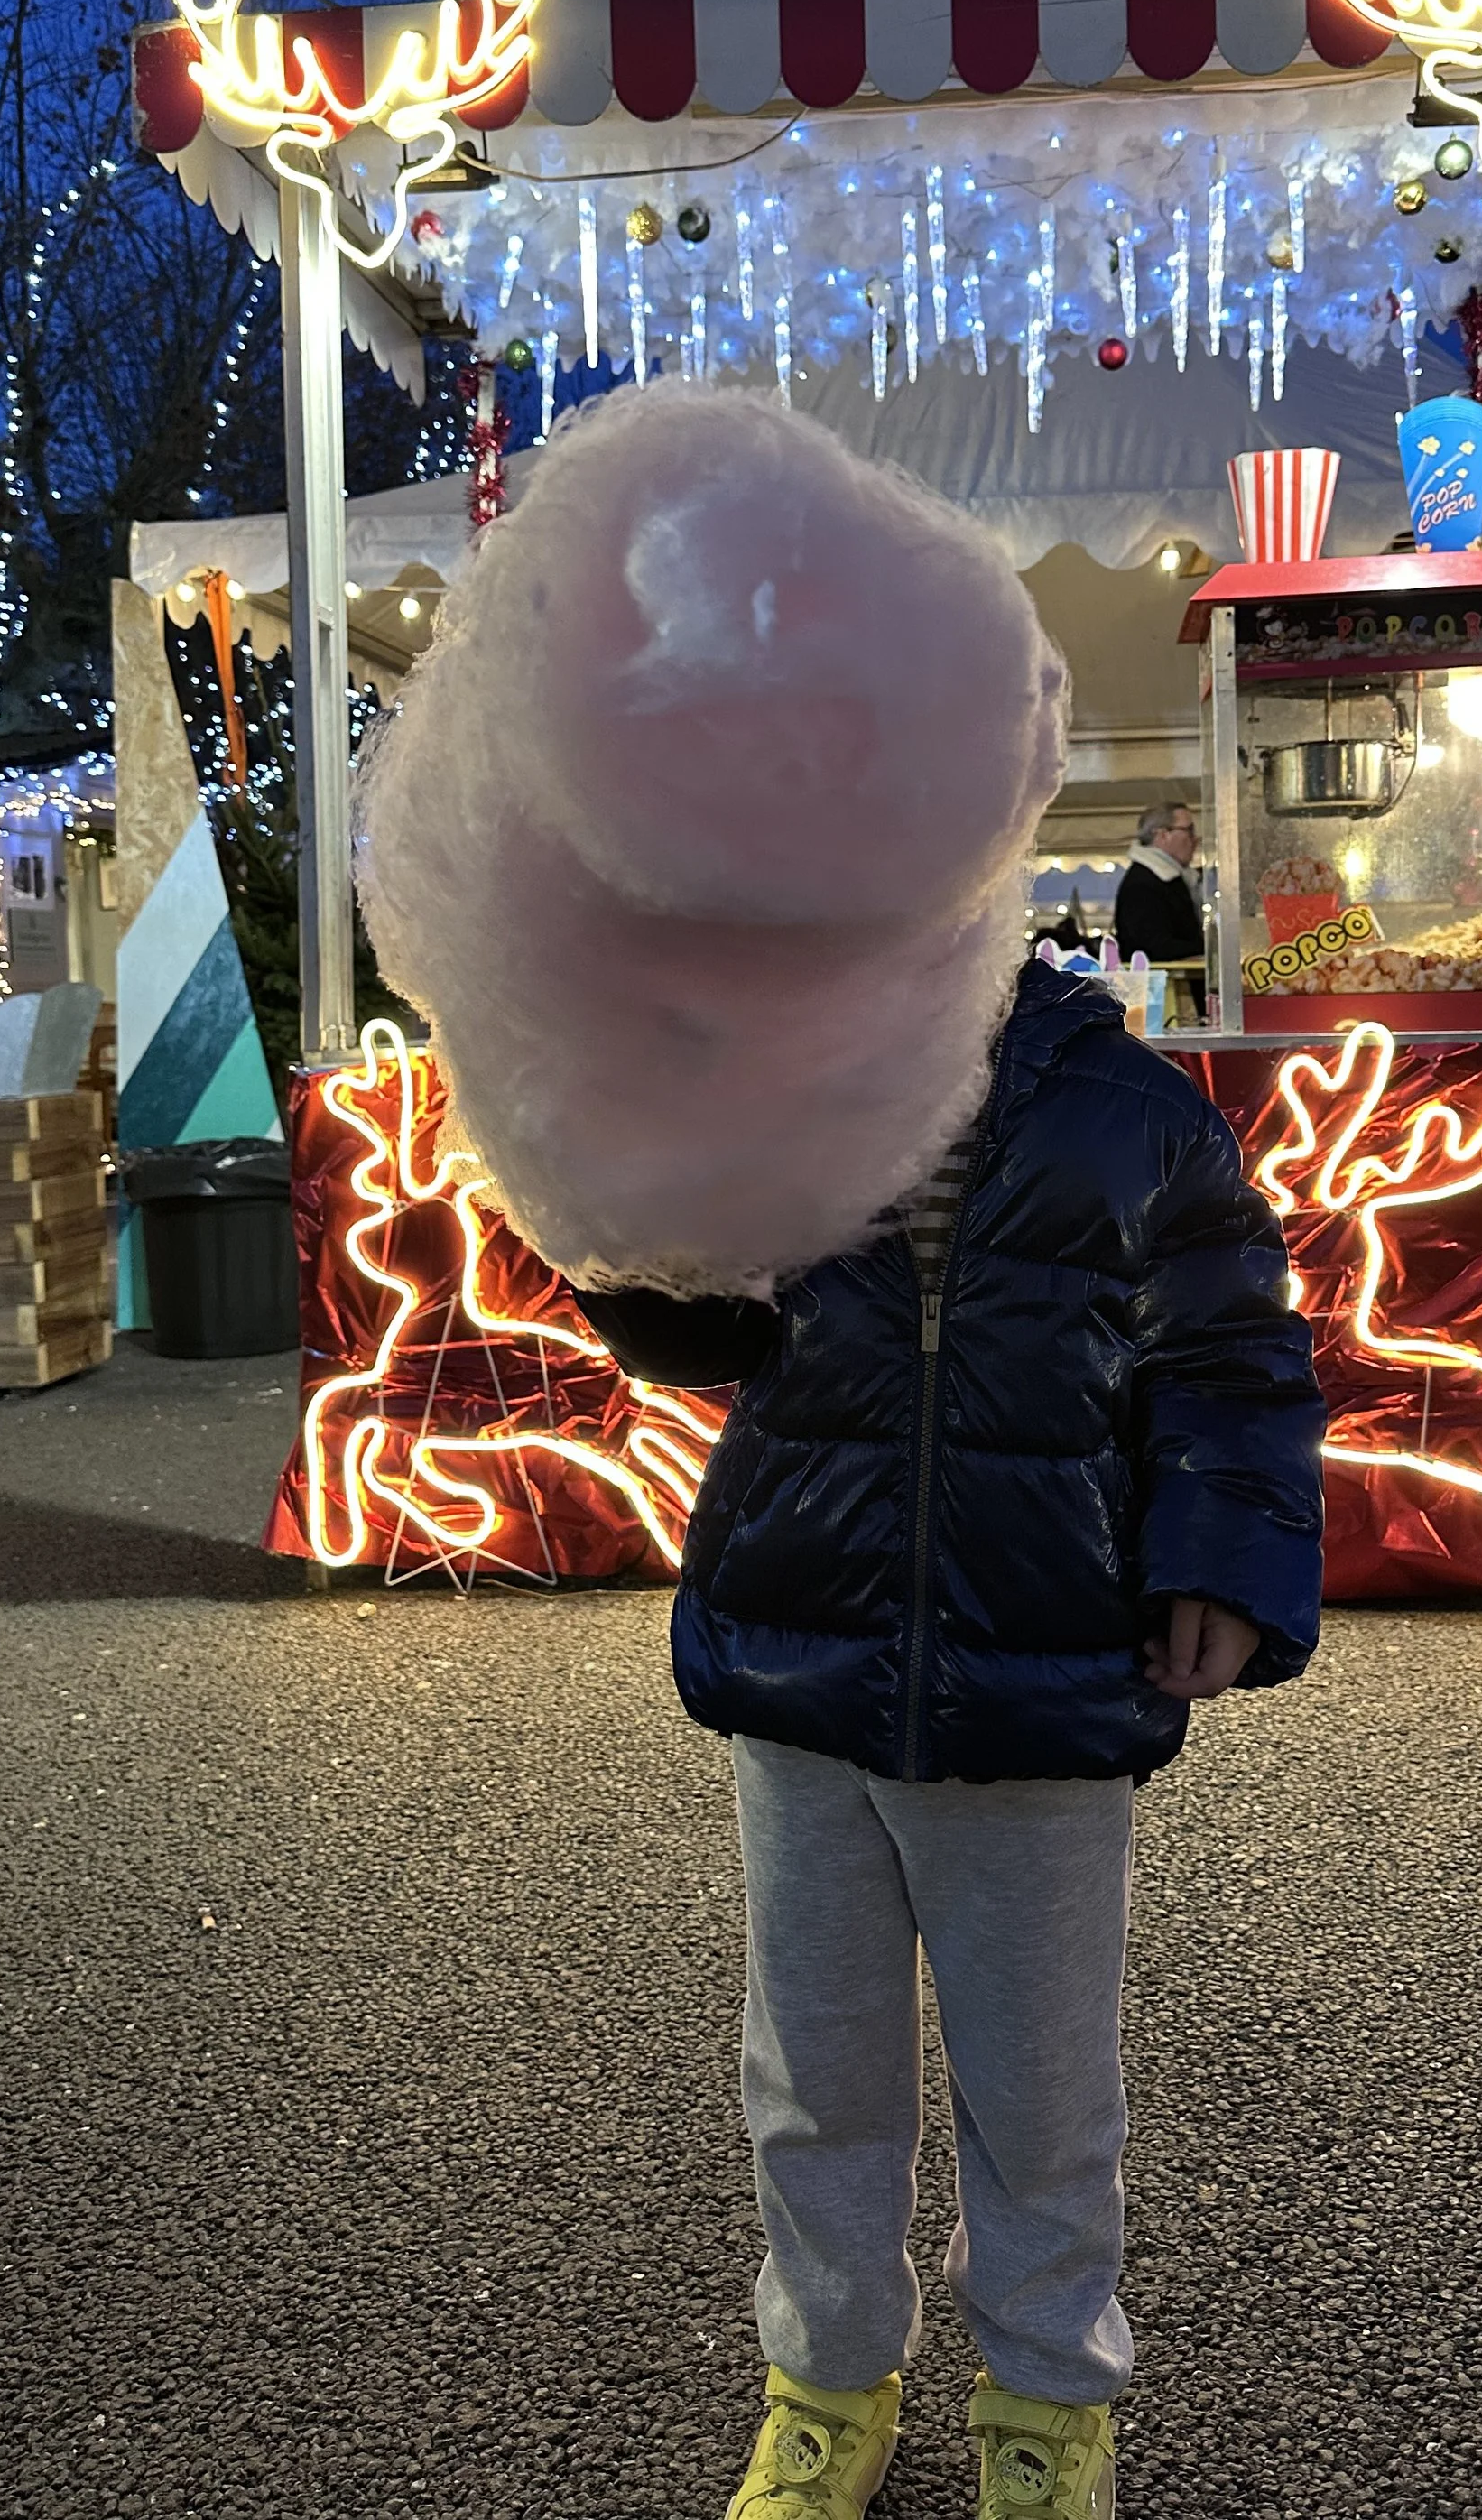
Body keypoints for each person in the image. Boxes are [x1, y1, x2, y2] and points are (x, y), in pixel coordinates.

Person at [582, 955, 1325, 2520]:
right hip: (802, 1648)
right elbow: (687, 1334)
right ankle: (827, 2383)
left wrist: (1223, 1559)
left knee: (1044, 2092)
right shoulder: (777, 1075)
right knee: (813, 2072)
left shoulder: (1134, 1114)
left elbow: (1233, 1359)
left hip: (1043, 1667)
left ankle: (1050, 2402)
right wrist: (597, 1200)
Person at [1111, 802, 1206, 1021]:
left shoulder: (1162, 878)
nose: (1195, 839)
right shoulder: (1144, 883)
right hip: (1163, 1003)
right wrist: (1208, 950)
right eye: (1189, 830)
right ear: (1162, 835)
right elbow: (1150, 946)